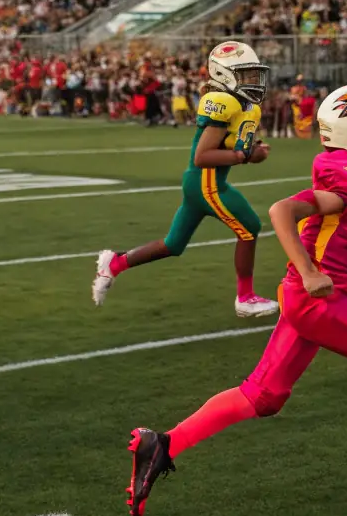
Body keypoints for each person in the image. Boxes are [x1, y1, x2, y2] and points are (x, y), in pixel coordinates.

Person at [125, 83, 347, 516]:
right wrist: (309, 270)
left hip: (308, 297)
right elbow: (282, 211)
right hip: (315, 299)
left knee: (262, 396)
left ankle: (162, 445)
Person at [93, 41, 279, 320]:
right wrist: (244, 156)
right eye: (246, 74)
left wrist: (252, 154)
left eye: (254, 73)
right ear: (225, 75)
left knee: (173, 244)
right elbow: (204, 156)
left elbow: (235, 151)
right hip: (207, 184)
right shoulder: (223, 102)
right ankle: (246, 297)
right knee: (249, 227)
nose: (254, 80)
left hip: (199, 183)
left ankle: (115, 263)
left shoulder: (243, 106)